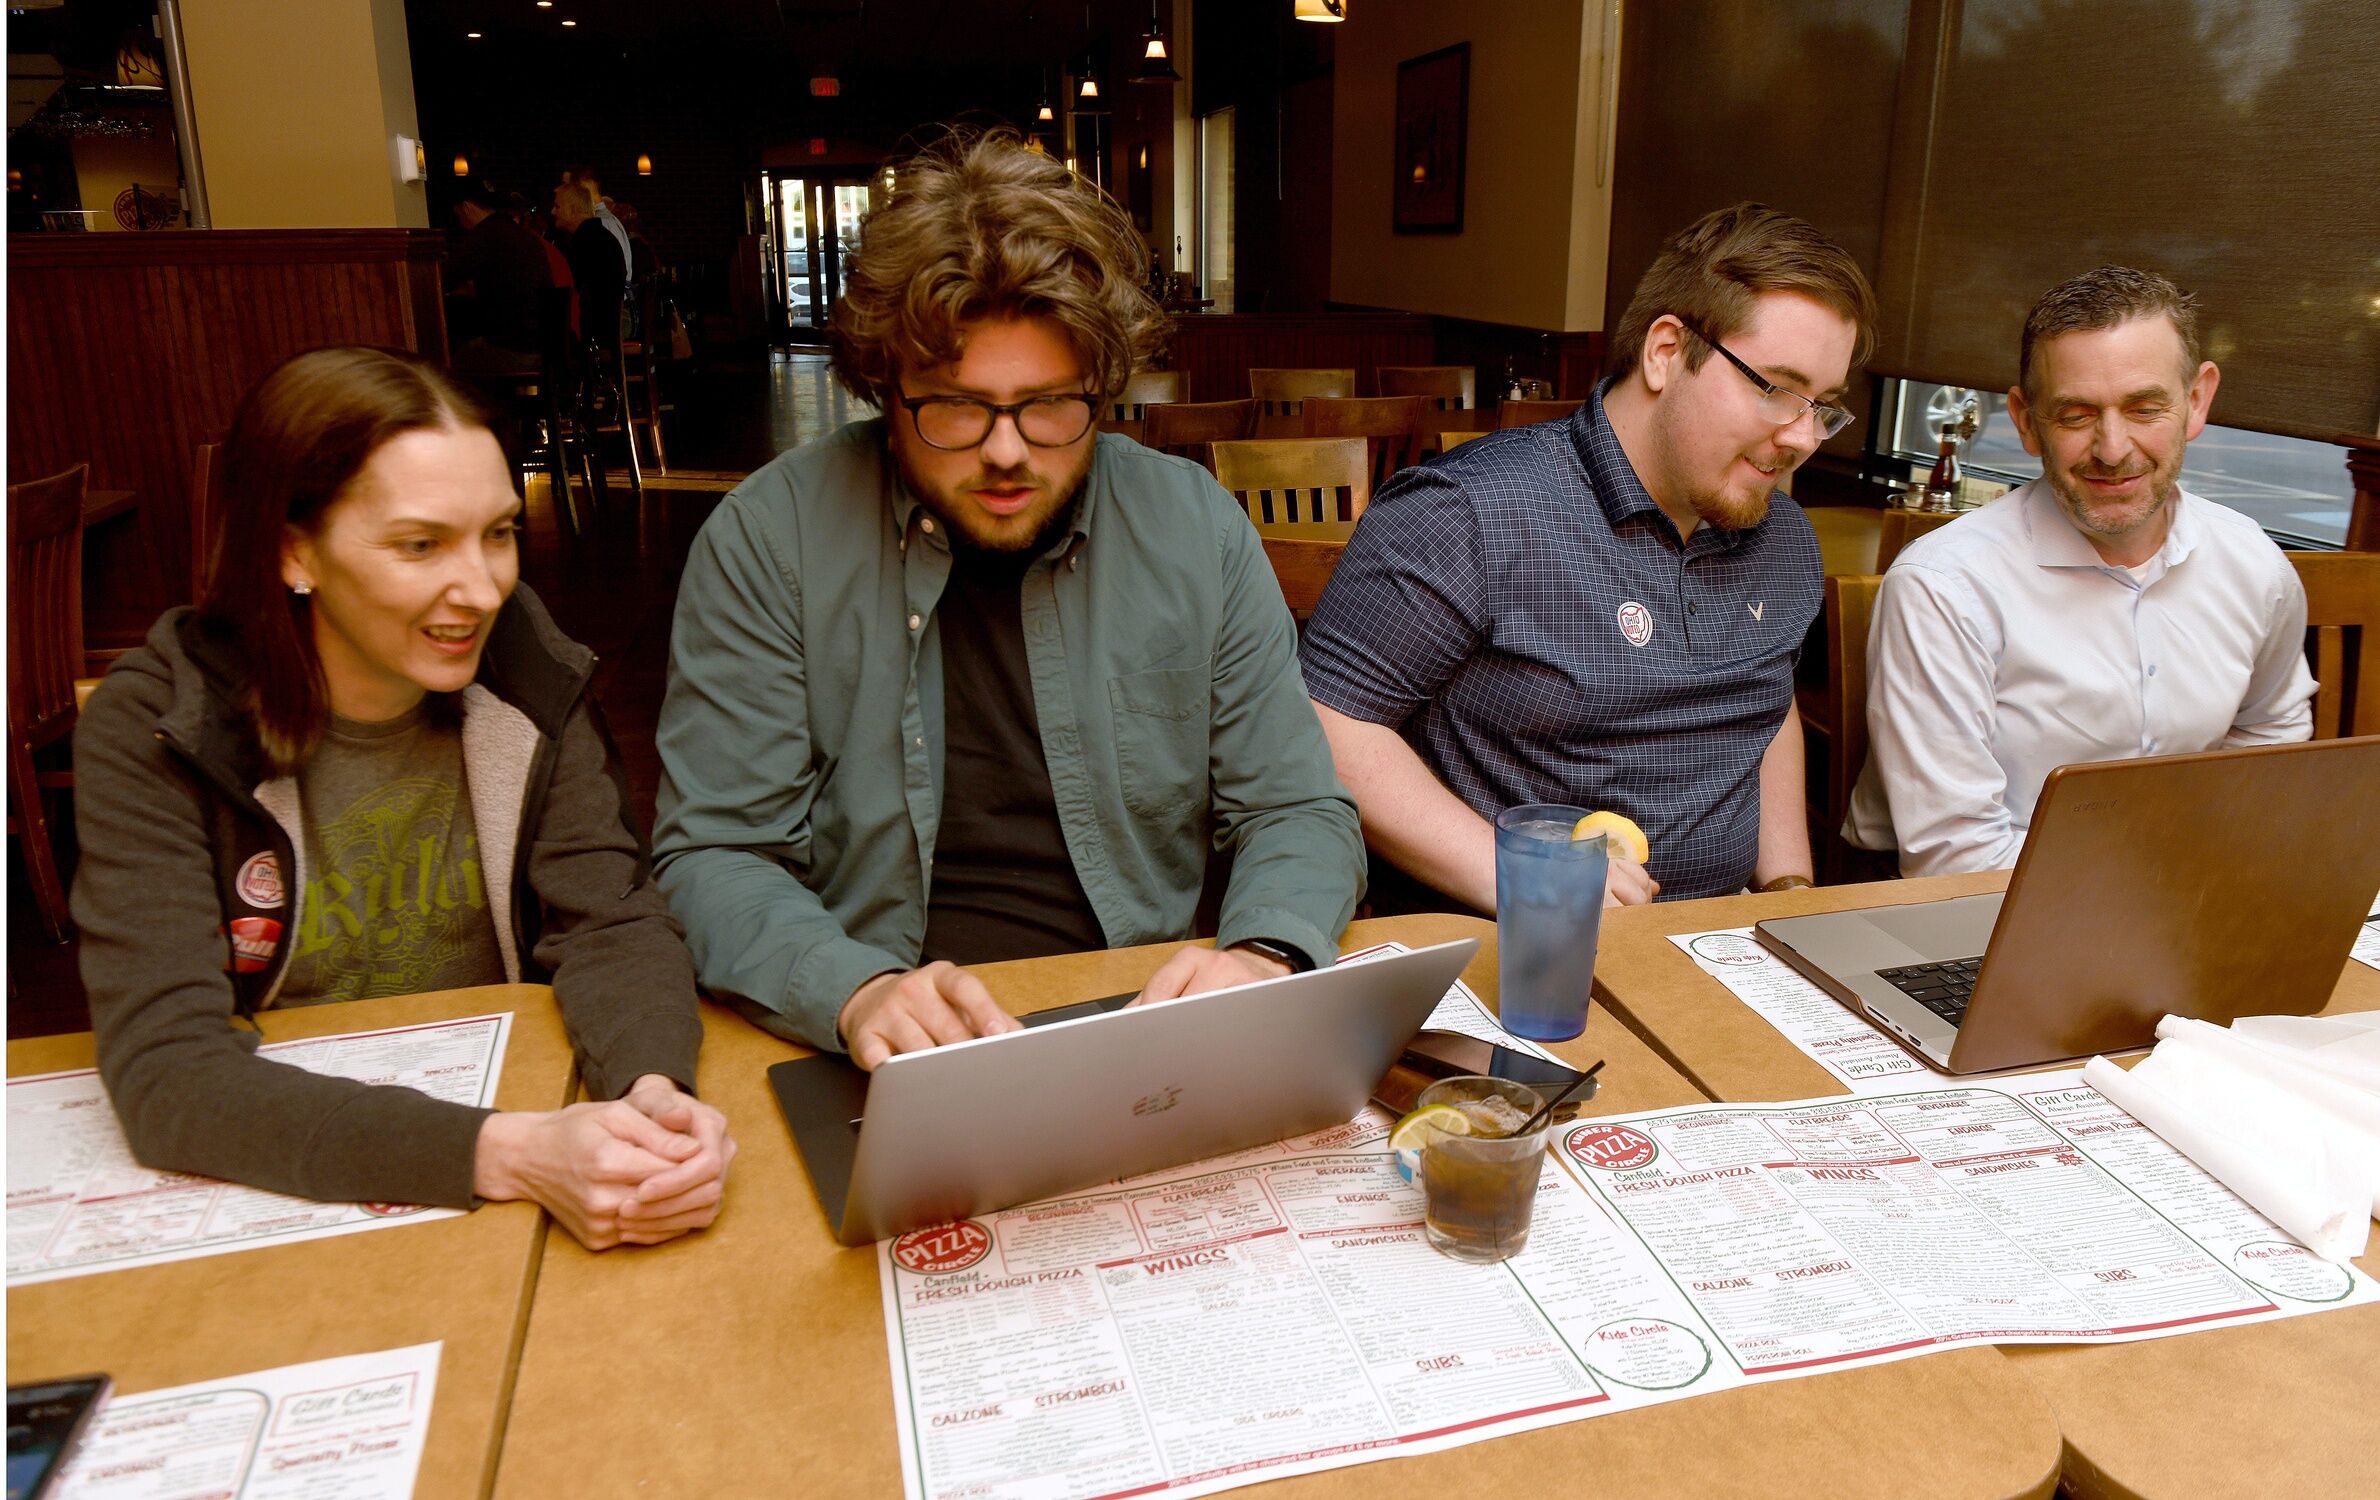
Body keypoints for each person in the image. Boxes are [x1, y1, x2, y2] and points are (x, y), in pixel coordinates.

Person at [651, 129, 1363, 1070]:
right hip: (873, 1032)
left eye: (1049, 404)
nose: (1006, 451)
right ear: (885, 388)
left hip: (1133, 1020)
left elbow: (1297, 806)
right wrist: (850, 990)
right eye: (955, 405)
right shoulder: (767, 540)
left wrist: (1264, 954)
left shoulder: (1194, 526)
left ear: (1102, 388)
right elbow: (713, 855)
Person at [73, 346, 734, 1249]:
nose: (483, 588)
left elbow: (610, 922)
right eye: (420, 545)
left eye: (498, 533)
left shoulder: (527, 669)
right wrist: (513, 1155)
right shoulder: (158, 724)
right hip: (287, 1158)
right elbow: (170, 1075)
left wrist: (652, 1088)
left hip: (501, 1123)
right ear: (291, 548)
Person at [1297, 203, 1876, 913]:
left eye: (1824, 407)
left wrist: (1788, 892)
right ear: (1666, 352)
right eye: (1779, 391)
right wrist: (1518, 874)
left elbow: (1765, 705)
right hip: (1512, 946)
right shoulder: (1474, 509)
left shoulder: (1782, 534)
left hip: (1723, 947)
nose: (1804, 437)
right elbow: (1325, 721)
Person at [1846, 266, 2313, 875]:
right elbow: (1954, 859)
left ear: (2196, 401)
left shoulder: (2253, 564)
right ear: (2024, 420)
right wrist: (2166, 876)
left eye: (2145, 409)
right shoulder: (1945, 587)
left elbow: (2269, 737)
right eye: (2076, 415)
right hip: (1961, 909)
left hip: (2182, 895)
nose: (2113, 449)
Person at [446, 178, 553, 374]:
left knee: (444, 362)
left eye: (457, 214)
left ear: (466, 208)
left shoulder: (482, 238)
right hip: (544, 345)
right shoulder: (526, 237)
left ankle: (481, 405)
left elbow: (444, 277)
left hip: (512, 349)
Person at [553, 179, 624, 351]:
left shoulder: (585, 243)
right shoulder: (602, 237)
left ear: (573, 210)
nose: (552, 211)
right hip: (607, 333)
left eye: (557, 206)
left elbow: (570, 295)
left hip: (592, 340)